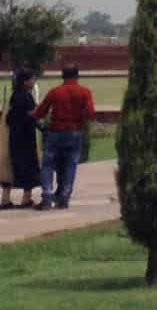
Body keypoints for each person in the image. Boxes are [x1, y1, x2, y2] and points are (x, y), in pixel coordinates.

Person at [32, 65, 96, 209]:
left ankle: (47, 196)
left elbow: (40, 112)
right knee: (70, 165)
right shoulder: (85, 92)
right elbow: (91, 114)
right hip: (74, 132)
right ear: (77, 76)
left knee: (48, 165)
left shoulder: (55, 92)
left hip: (55, 132)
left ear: (63, 76)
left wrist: (32, 115)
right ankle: (64, 197)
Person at [4, 68, 42, 209]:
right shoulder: (26, 96)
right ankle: (26, 198)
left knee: (17, 165)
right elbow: (31, 115)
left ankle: (6, 199)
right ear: (25, 82)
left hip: (15, 136)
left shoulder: (15, 96)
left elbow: (10, 117)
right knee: (29, 167)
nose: (34, 81)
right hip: (26, 137)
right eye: (32, 79)